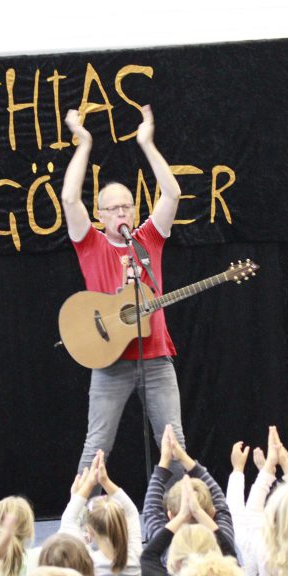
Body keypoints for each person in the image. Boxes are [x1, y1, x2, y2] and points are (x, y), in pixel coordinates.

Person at [60, 103, 185, 476]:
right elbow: (69, 199)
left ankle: (184, 521)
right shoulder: (90, 243)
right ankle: (75, 524)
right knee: (97, 445)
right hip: (110, 360)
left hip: (156, 356)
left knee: (173, 444)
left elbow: (173, 194)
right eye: (112, 209)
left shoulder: (148, 239)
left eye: (126, 207)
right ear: (100, 215)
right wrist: (83, 143)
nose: (121, 214)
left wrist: (147, 143)